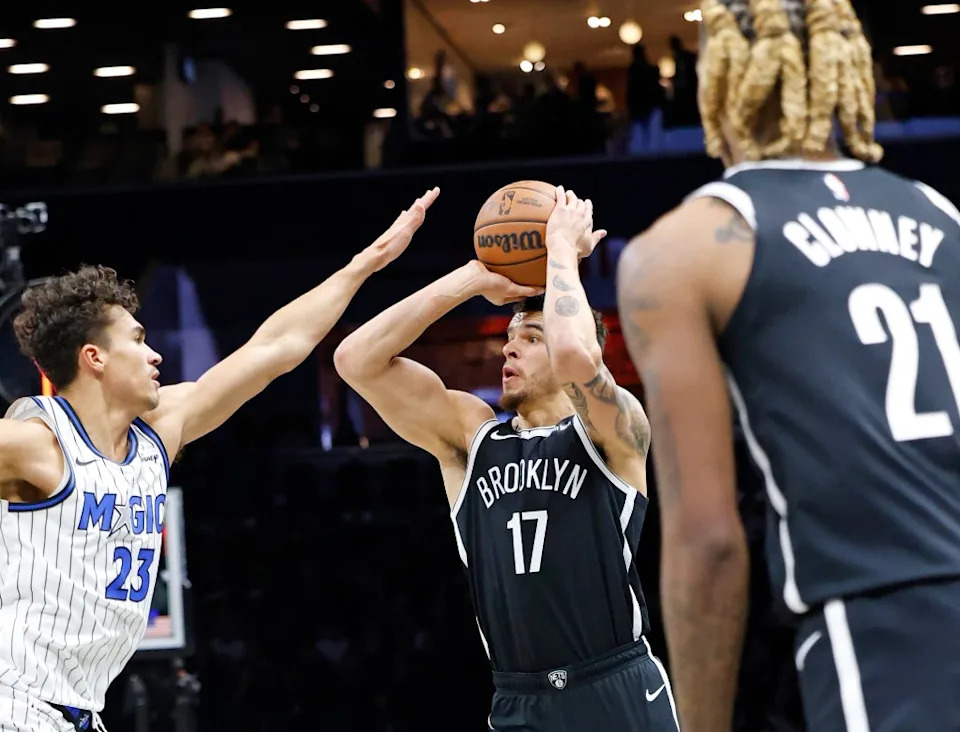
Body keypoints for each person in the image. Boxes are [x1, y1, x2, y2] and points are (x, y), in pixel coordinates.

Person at [617, 0, 960, 730]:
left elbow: (708, 542)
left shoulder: (684, 250)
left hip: (887, 633)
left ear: (719, 75)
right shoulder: (943, 216)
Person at [0, 187, 439, 731]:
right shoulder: (34, 443)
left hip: (78, 709)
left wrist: (366, 263)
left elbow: (275, 348)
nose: (155, 353)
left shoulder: (160, 430)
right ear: (94, 358)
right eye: (138, 340)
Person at [335, 187, 678, 732]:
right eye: (510, 337)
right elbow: (355, 360)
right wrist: (470, 280)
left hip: (615, 684)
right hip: (519, 697)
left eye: (530, 337)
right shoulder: (472, 438)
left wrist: (563, 251)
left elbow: (574, 356)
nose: (508, 348)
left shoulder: (616, 431)